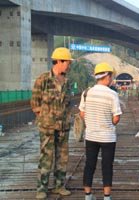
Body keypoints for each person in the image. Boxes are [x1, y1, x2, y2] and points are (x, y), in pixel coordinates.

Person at [31, 47, 73, 199]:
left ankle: (59, 186)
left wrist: (67, 120)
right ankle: (42, 188)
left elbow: (68, 104)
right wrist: (45, 119)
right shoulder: (43, 80)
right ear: (59, 61)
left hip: (63, 127)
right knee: (46, 157)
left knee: (62, 157)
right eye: (68, 62)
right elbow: (35, 104)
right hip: (47, 127)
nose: (69, 65)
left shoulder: (67, 81)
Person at [79, 62, 122, 200]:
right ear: (108, 76)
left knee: (89, 164)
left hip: (91, 136)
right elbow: (116, 118)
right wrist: (108, 122)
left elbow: (82, 113)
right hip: (108, 137)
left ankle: (88, 195)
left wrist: (92, 121)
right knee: (107, 166)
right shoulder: (112, 94)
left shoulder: (87, 92)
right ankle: (107, 196)